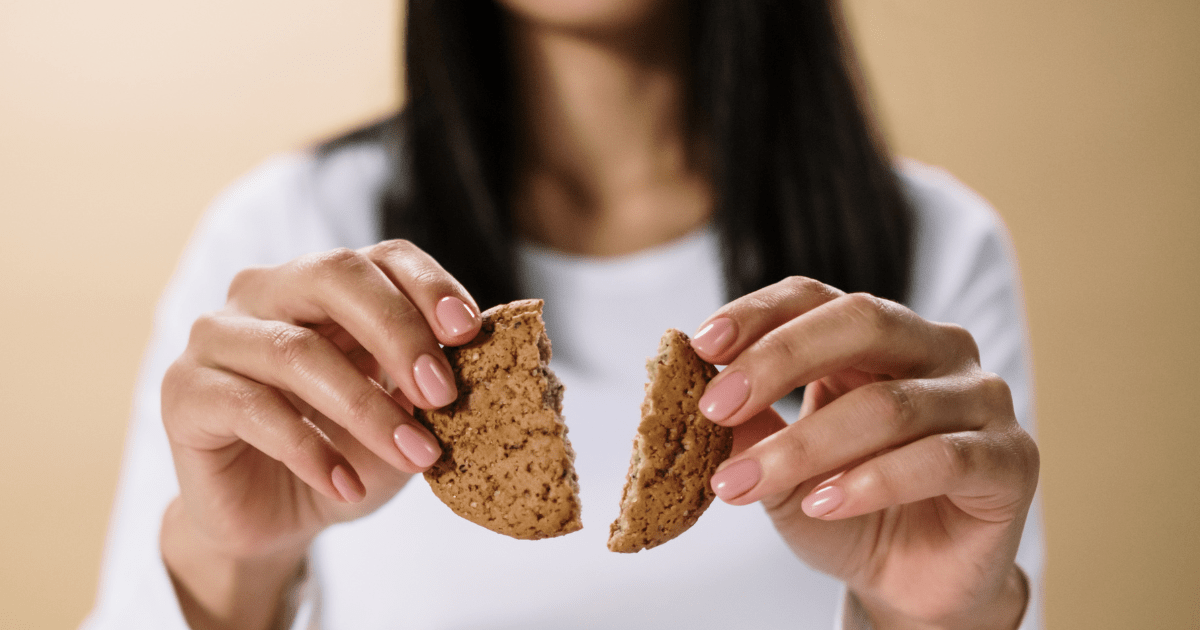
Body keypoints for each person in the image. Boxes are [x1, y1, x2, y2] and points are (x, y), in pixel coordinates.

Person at [83, 1, 1043, 628]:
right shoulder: (287, 239)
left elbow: (946, 589)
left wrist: (941, 621)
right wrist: (228, 569)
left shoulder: (928, 260)